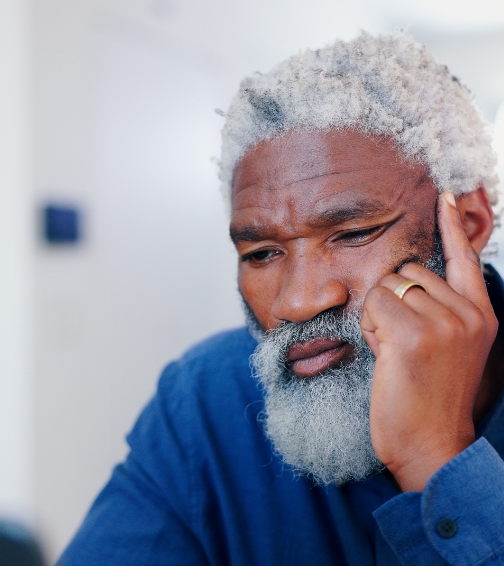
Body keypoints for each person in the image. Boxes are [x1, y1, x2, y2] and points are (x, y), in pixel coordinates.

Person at [58, 31, 504, 565]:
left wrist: (434, 461)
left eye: (352, 233)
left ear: (469, 223)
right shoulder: (206, 400)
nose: (298, 302)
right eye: (263, 253)